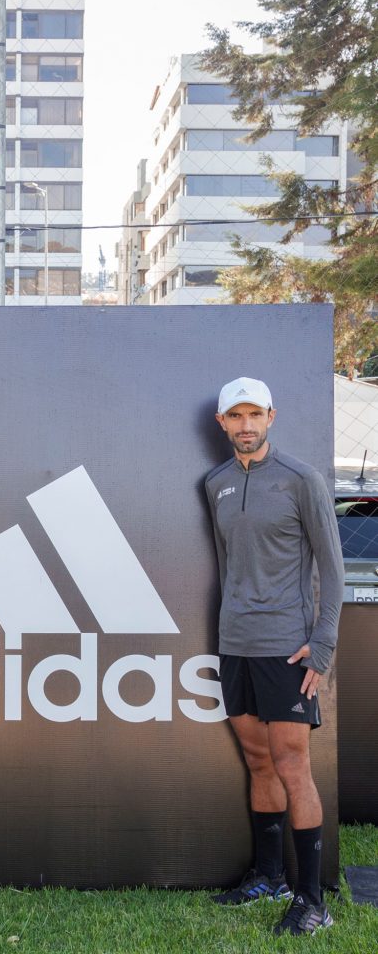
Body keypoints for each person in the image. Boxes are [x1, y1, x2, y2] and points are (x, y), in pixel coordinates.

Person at [204, 377, 343, 937]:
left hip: (288, 647)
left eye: (254, 414)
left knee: (292, 765)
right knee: (257, 761)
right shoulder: (213, 483)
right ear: (222, 423)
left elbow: (332, 567)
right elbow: (226, 564)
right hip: (234, 642)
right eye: (235, 415)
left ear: (271, 417)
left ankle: (312, 902)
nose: (245, 424)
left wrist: (325, 642)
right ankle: (269, 877)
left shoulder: (301, 480)